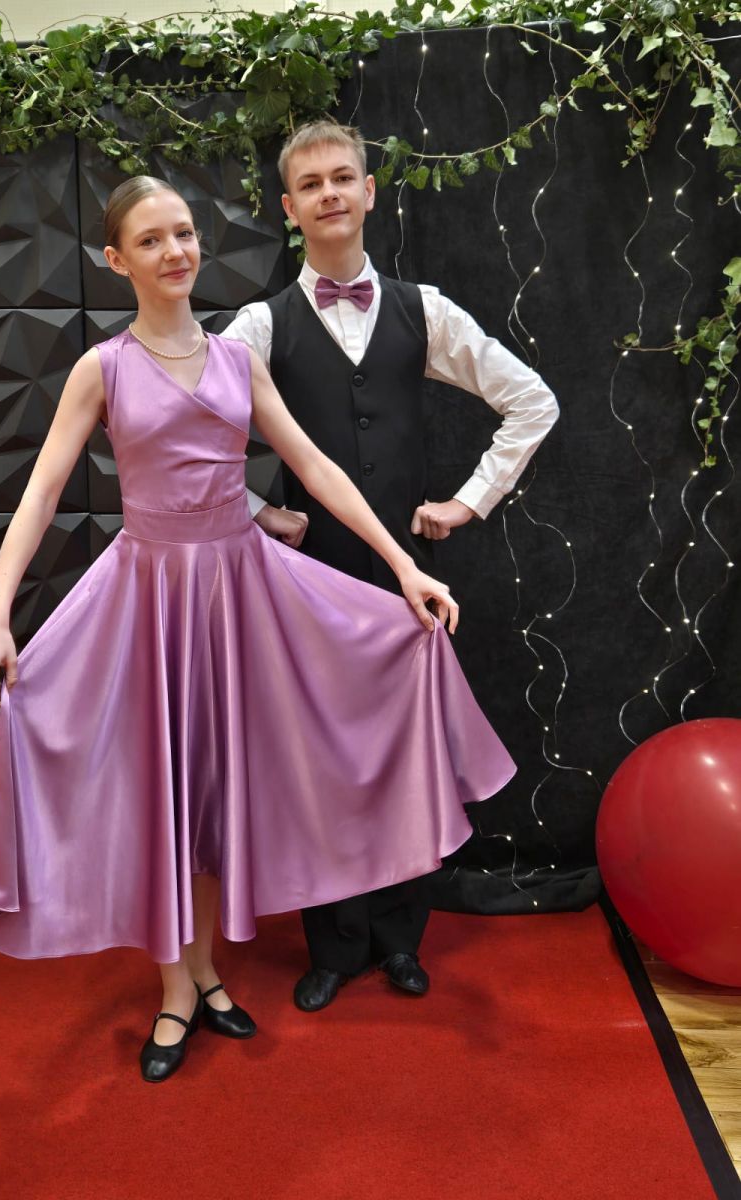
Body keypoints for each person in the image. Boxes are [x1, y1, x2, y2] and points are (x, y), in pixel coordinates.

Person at [0, 175, 517, 1084]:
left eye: (183, 233)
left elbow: (315, 466)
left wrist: (403, 566)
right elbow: (41, 493)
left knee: (211, 795)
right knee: (165, 795)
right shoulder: (102, 368)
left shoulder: (238, 360)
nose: (175, 251)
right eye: (151, 240)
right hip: (148, 603)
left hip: (240, 595)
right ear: (116, 260)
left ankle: (206, 974)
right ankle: (178, 989)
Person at [224, 119, 559, 1013]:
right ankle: (333, 946)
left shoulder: (425, 310)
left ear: (369, 192)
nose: (330, 193)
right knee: (320, 763)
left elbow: (531, 401)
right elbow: (187, 435)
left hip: (410, 582)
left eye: (344, 177)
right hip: (310, 590)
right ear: (289, 208)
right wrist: (259, 513)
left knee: (409, 759)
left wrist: (467, 502)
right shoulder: (259, 327)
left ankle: (402, 940)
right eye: (311, 184)